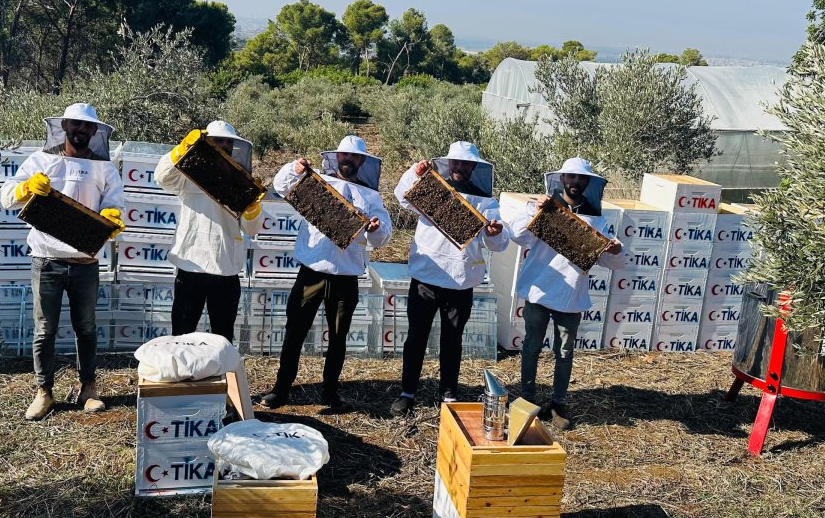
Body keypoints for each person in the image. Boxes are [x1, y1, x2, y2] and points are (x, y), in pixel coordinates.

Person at [1, 103, 126, 421]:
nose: (81, 130)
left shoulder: (105, 168)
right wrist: (27, 187)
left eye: (87, 126)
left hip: (85, 261)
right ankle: (44, 392)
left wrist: (111, 215)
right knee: (45, 330)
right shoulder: (41, 160)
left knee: (86, 328)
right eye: (75, 124)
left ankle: (89, 389)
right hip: (46, 260)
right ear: (64, 126)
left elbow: (114, 201)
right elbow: (7, 196)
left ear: (95, 132)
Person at [258, 135, 392, 411]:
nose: (349, 160)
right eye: (345, 156)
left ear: (363, 161)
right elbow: (280, 185)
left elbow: (383, 236)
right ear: (336, 157)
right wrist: (294, 168)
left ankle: (330, 393)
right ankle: (280, 390)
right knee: (295, 332)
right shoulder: (318, 178)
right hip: (312, 271)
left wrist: (376, 229)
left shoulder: (371, 196)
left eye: (354, 157)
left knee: (338, 337)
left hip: (346, 276)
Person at [503, 157, 627, 430]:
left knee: (564, 352)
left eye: (581, 178)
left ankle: (558, 404)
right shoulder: (543, 207)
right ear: (561, 180)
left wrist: (615, 249)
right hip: (539, 289)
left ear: (588, 183)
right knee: (531, 348)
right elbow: (515, 233)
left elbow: (615, 261)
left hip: (571, 296)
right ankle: (527, 400)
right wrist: (537, 211)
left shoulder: (598, 219)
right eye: (571, 177)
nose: (575, 182)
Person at [390, 142, 510, 415]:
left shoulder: (486, 202)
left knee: (452, 339)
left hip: (460, 282)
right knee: (416, 338)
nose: (459, 167)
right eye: (455, 163)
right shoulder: (432, 190)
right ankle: (407, 391)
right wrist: (415, 173)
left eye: (465, 164)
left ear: (473, 167)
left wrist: (494, 233)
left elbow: (500, 243)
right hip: (425, 277)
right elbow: (402, 195)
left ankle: (448, 391)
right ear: (448, 164)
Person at [154, 121, 263, 342]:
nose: (223, 145)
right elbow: (162, 177)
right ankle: (183, 377)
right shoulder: (189, 172)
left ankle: (220, 376)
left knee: (222, 339)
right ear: (207, 143)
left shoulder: (240, 181)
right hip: (190, 264)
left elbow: (253, 228)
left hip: (225, 268)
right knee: (181, 337)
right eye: (218, 140)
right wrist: (181, 149)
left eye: (228, 142)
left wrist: (252, 208)